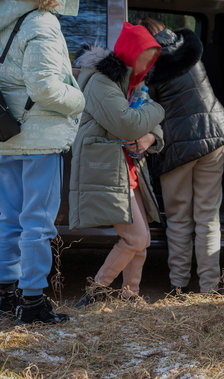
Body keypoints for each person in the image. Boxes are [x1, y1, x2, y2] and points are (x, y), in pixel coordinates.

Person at [136, 18, 224, 294]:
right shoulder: (190, 49)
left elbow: (148, 110)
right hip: (213, 136)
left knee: (179, 217)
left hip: (178, 144)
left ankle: (178, 285)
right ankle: (209, 286)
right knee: (207, 217)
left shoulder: (149, 64)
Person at [0, 0, 85, 324]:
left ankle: (5, 295)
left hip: (6, 133)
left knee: (9, 218)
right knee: (37, 222)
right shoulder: (41, 22)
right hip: (38, 135)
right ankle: (32, 301)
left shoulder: (6, 18)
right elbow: (46, 88)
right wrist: (80, 100)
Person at [71, 22, 165, 305]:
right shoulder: (102, 82)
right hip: (107, 166)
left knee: (142, 239)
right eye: (143, 57)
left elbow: (145, 128)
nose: (147, 65)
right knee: (135, 238)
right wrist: (158, 111)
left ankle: (130, 296)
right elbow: (126, 124)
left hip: (124, 166)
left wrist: (150, 135)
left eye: (151, 60)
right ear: (128, 53)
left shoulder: (130, 84)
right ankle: (96, 291)